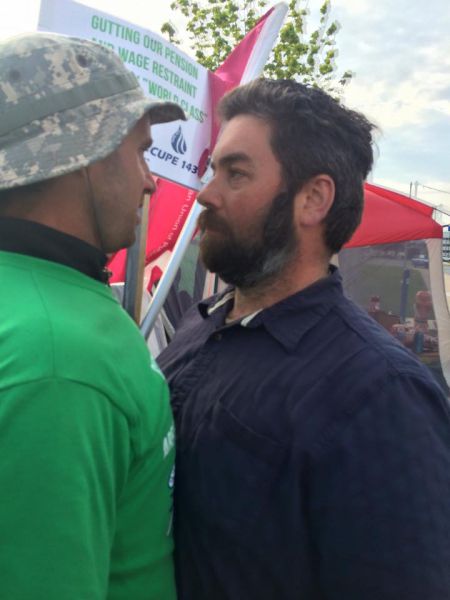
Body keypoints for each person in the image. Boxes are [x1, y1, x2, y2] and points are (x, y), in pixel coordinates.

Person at [157, 78, 450, 599]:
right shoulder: (198, 329)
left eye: (236, 173)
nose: (206, 193)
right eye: (212, 170)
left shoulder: (380, 394)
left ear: (312, 198)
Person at [0, 32, 185, 599]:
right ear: (84, 152)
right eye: (141, 151)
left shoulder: (46, 302)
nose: (151, 180)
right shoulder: (59, 358)